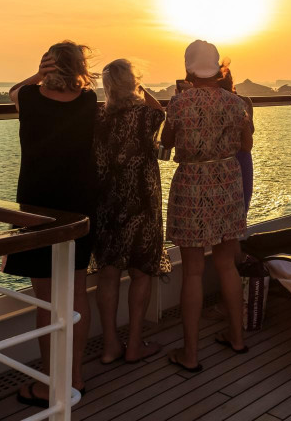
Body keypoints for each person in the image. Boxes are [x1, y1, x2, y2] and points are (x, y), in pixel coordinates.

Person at [4, 41, 98, 407]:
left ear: (48, 67)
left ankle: (51, 384)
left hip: (37, 208)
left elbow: (15, 90)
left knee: (46, 301)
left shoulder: (28, 98)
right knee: (76, 293)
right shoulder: (89, 101)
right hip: (80, 207)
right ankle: (75, 378)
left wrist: (37, 74)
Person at [162, 40, 252, 372]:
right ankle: (237, 338)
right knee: (227, 265)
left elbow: (166, 144)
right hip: (228, 181)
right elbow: (246, 143)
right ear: (217, 68)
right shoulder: (235, 102)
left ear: (188, 68)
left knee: (194, 271)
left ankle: (190, 354)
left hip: (192, 184)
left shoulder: (178, 104)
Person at [93, 59, 170, 365]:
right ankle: (135, 344)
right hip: (142, 200)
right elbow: (161, 109)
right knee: (141, 272)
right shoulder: (148, 115)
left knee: (108, 274)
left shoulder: (97, 116)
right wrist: (142, 88)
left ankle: (111, 345)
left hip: (106, 202)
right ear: (134, 82)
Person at [218, 58, 254, 212]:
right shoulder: (244, 102)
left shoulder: (242, 102)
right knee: (239, 211)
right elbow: (248, 140)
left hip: (223, 161)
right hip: (241, 159)